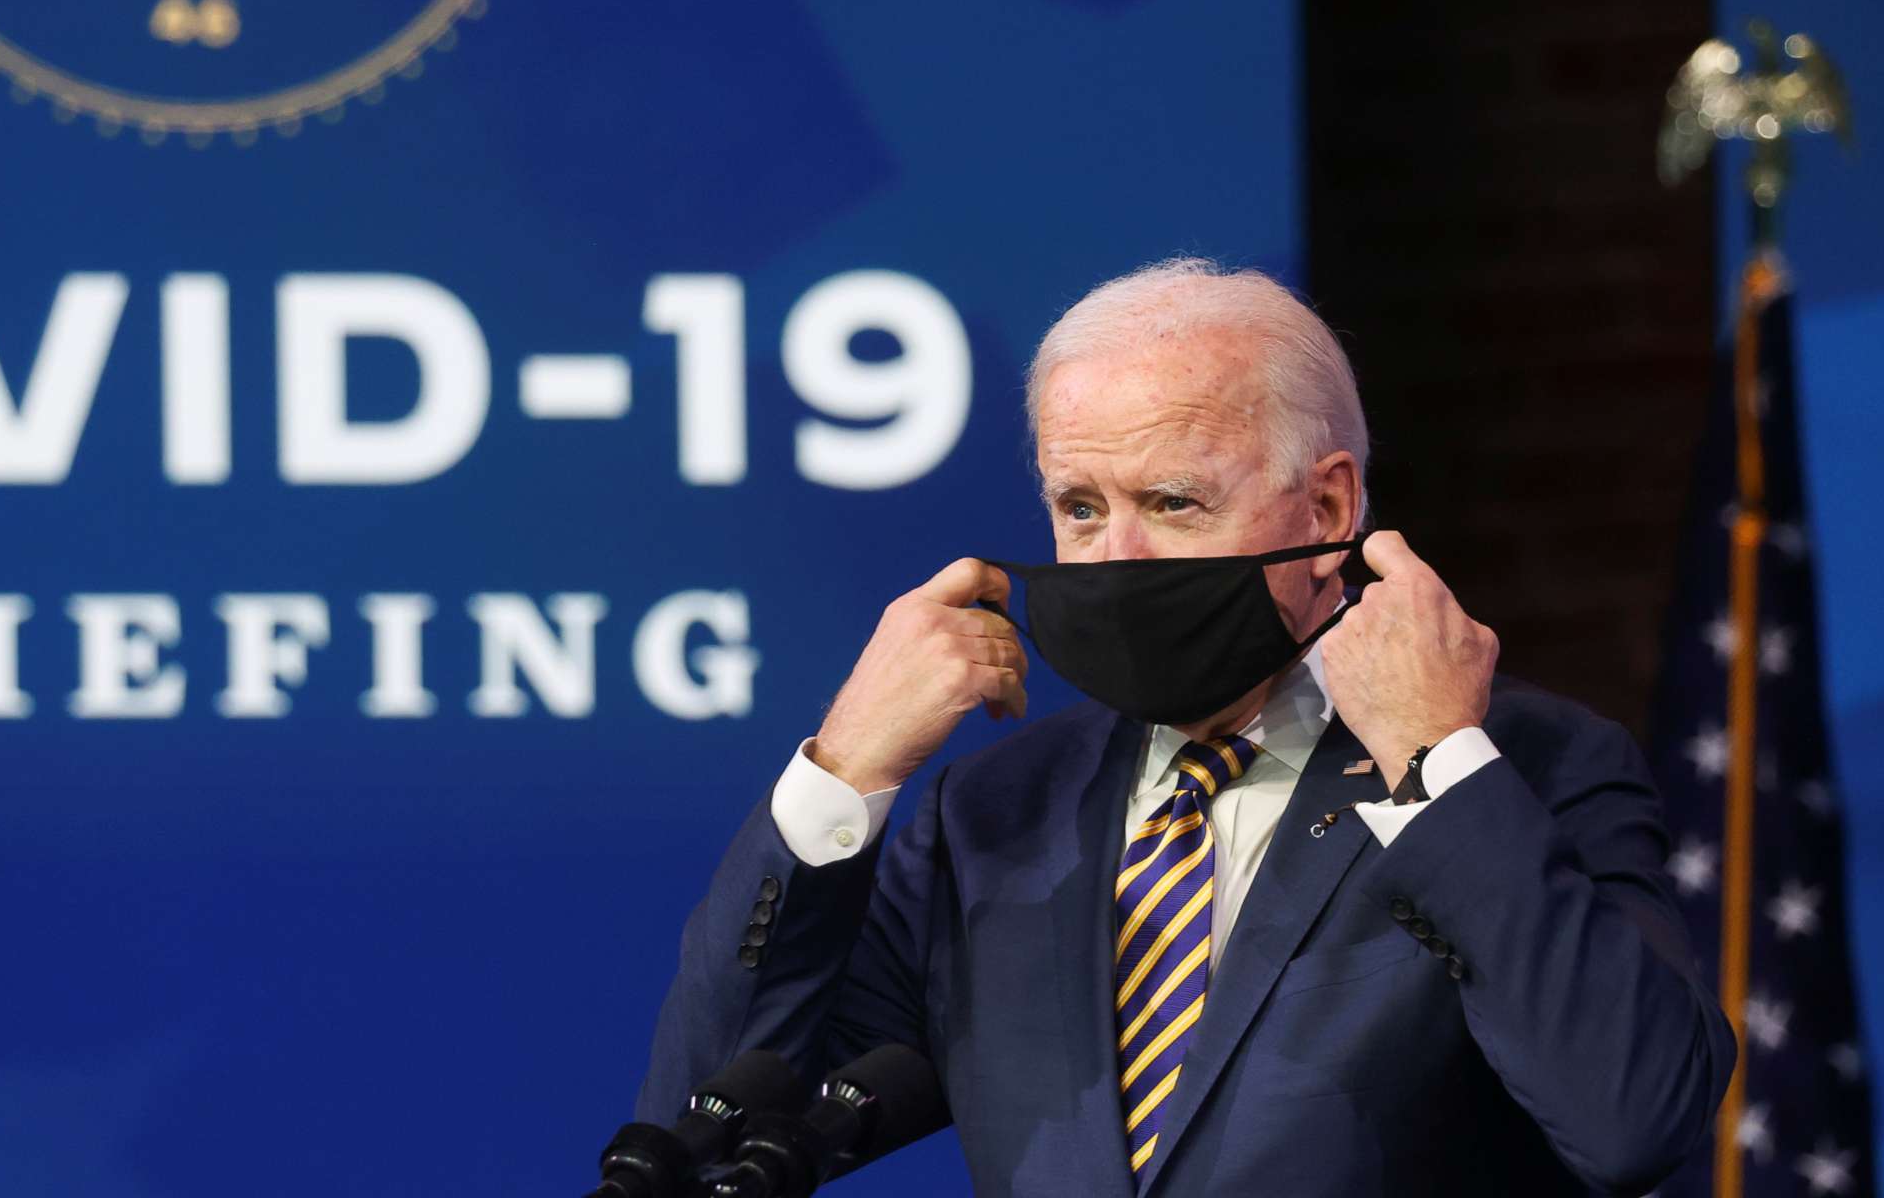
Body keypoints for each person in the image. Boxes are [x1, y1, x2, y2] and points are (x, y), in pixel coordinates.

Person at [637, 260, 1733, 1196]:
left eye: (1172, 504)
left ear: (1329, 510)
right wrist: (845, 771)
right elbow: (710, 1121)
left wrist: (1435, 762)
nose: (1114, 560)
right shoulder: (996, 817)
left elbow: (1637, 1119)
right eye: (1079, 508)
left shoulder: (1524, 769)